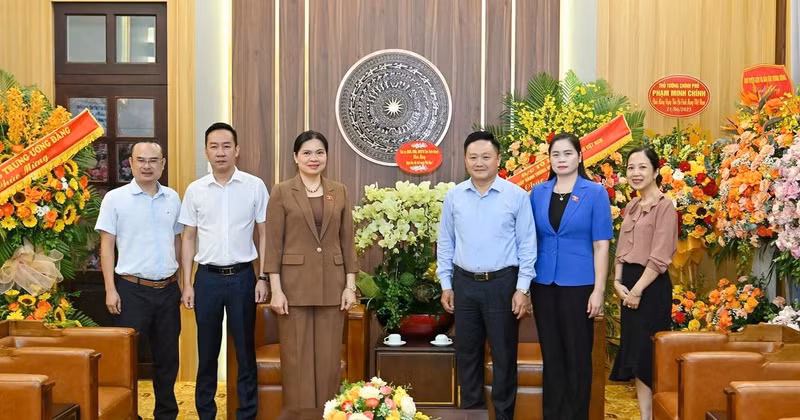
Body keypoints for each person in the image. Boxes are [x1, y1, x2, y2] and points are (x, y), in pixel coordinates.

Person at [437, 131, 536, 420]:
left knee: (504, 357)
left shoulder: (516, 196)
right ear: (465, 161)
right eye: (473, 157)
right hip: (464, 284)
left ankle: (504, 417)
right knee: (467, 355)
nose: (479, 163)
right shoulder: (454, 197)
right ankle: (473, 414)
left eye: (486, 157)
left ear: (498, 159)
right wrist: (446, 284)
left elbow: (527, 245)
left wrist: (522, 288)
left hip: (503, 285)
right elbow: (446, 243)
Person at [178, 122, 270, 420]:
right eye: (214, 146)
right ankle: (206, 414)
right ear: (206, 151)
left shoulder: (254, 186)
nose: (220, 152)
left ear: (237, 150)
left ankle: (246, 415)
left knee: (245, 353)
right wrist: (187, 283)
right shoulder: (195, 190)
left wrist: (264, 276)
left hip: (244, 278)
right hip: (206, 280)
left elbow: (265, 234)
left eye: (226, 146)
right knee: (206, 354)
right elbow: (188, 238)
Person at [264, 130, 359, 409]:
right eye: (306, 152)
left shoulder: (338, 190)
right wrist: (276, 290)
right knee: (297, 361)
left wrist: (349, 286)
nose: (313, 158)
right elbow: (274, 246)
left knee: (329, 362)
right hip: (293, 290)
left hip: (332, 286)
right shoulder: (281, 191)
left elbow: (347, 241)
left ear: (326, 157)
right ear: (295, 157)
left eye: (319, 152)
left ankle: (328, 414)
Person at [95, 140, 182, 420]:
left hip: (168, 290)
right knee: (127, 360)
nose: (147, 166)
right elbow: (106, 245)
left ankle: (166, 414)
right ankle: (128, 413)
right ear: (130, 163)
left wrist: (182, 282)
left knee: (167, 359)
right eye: (141, 160)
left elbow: (179, 241)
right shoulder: (115, 199)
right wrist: (110, 289)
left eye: (153, 160)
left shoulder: (173, 198)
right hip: (131, 290)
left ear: (163, 164)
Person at [529, 133, 612, 420]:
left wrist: (599, 290)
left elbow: (601, 245)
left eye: (567, 153)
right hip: (543, 285)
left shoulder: (595, 192)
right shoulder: (538, 192)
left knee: (578, 359)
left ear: (579, 156)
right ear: (549, 159)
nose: (561, 159)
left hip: (580, 286)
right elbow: (530, 240)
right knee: (552, 358)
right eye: (555, 154)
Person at [610, 146, 677, 420]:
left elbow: (660, 257)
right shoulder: (632, 206)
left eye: (642, 167)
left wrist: (637, 290)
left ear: (656, 171)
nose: (635, 173)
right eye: (630, 167)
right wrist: (616, 281)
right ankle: (645, 415)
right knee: (635, 356)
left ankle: (652, 415)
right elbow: (622, 249)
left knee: (648, 355)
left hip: (651, 288)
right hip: (628, 287)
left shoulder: (665, 207)